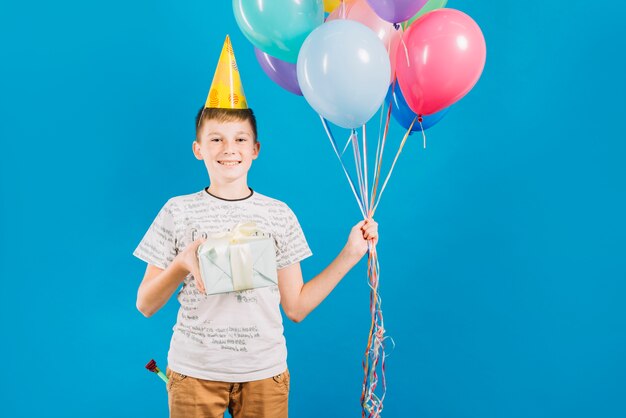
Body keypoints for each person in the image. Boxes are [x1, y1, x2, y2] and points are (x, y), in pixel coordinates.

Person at [133, 36, 378, 418]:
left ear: (254, 149)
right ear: (198, 148)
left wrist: (349, 255)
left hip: (265, 375)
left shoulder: (278, 214)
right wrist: (182, 261)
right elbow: (146, 304)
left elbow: (295, 307)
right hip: (194, 373)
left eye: (239, 139)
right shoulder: (177, 211)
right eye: (215, 139)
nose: (228, 148)